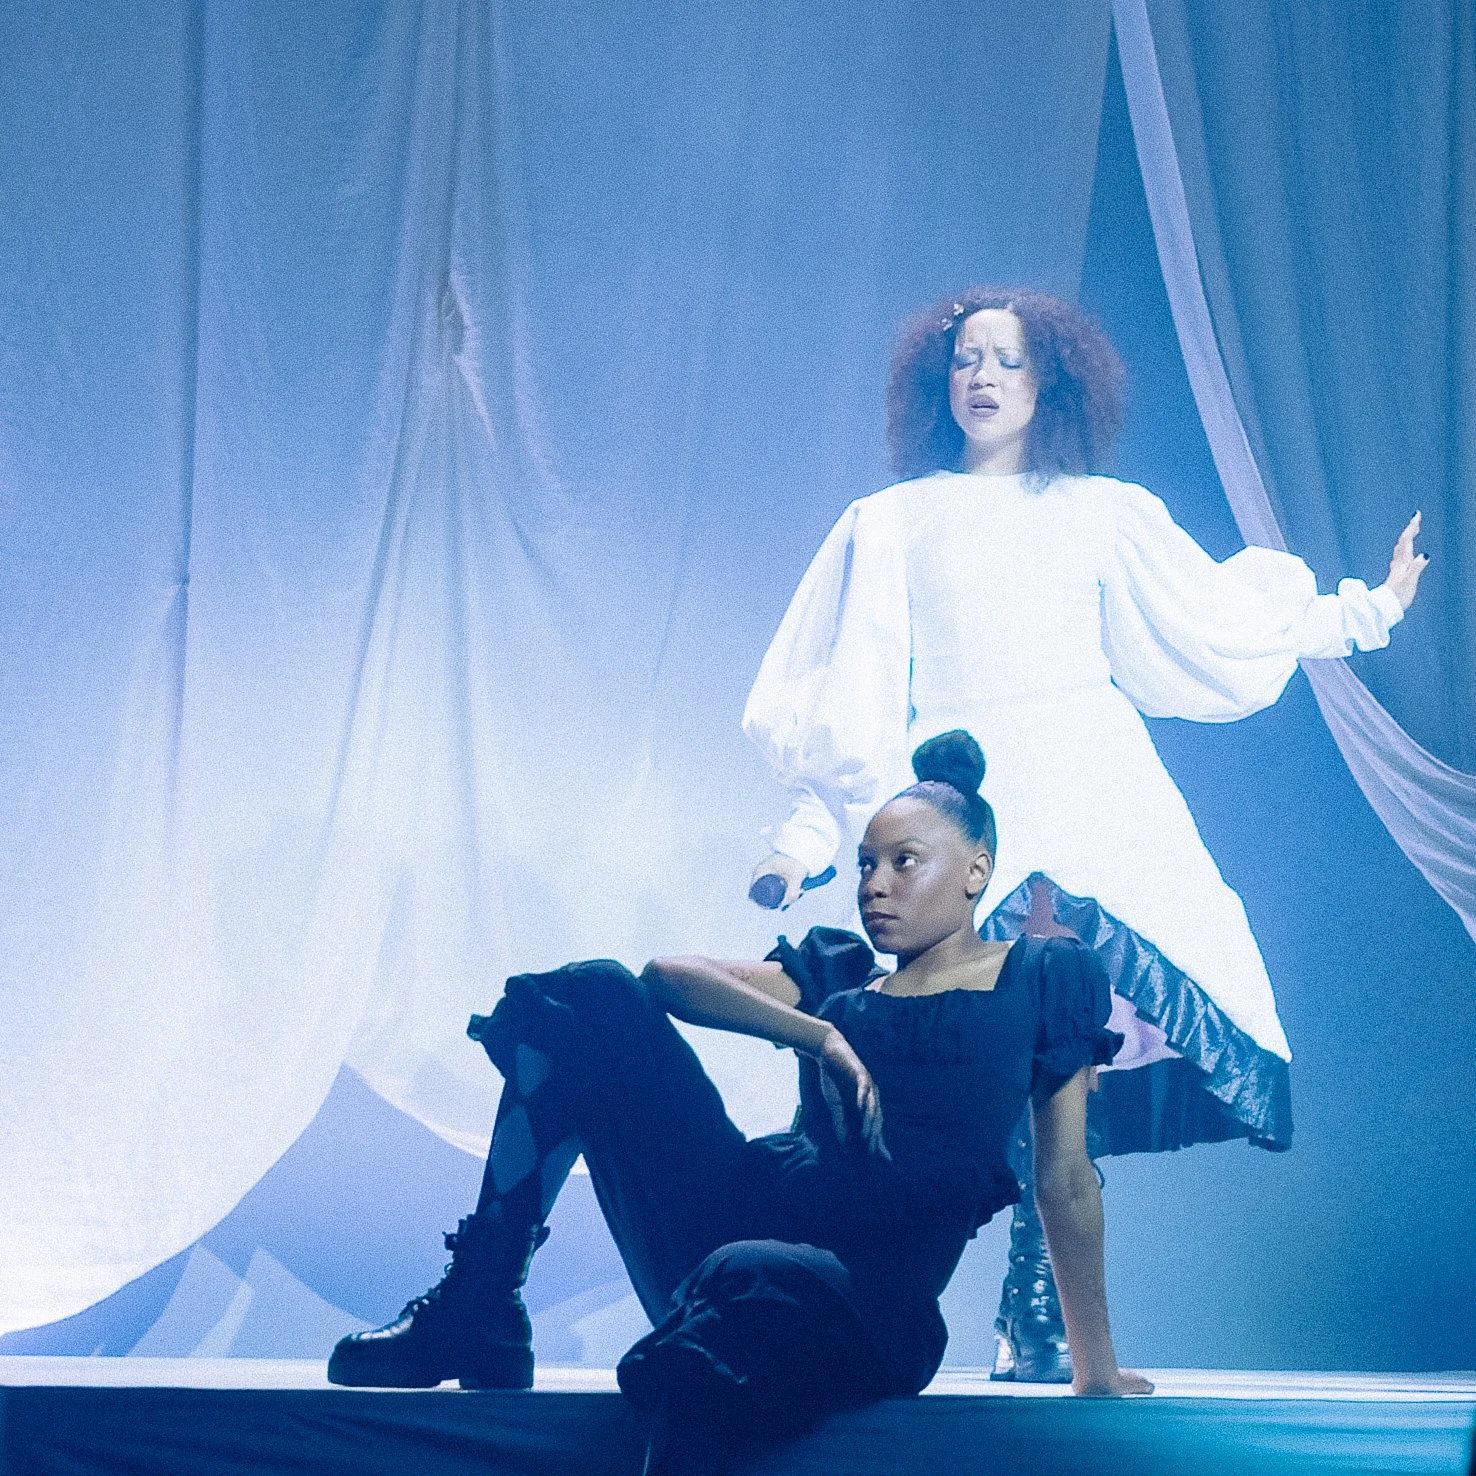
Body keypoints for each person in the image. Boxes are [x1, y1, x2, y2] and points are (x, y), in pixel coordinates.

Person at [743, 286, 1429, 1382]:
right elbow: (851, 691)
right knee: (973, 1045)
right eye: (967, 359)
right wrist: (808, 837)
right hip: (965, 785)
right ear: (939, 378)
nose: (983, 377)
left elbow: (1214, 624)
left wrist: (1367, 610)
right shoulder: (894, 520)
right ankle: (898, 1296)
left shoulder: (1104, 512)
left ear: (1049, 382)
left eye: (1007, 361)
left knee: (1070, 1032)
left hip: (1089, 779)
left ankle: (1039, 1299)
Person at [328, 731, 1150, 1474]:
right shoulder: (842, 976)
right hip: (732, 1232)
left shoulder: (1044, 976)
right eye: (866, 864)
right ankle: (481, 1302)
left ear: (977, 870)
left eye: (905, 862)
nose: (875, 885)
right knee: (591, 998)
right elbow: (666, 978)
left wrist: (1097, 1372)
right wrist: (819, 1037)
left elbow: (1065, 1178)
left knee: (755, 1269)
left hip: (862, 1303)